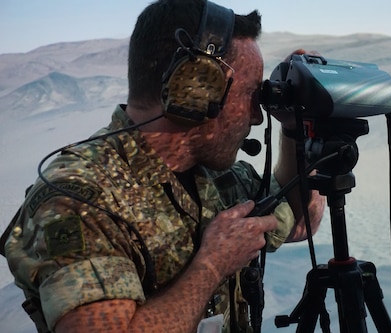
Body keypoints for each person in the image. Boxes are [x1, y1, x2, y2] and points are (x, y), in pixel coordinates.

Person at [1, 0, 325, 332]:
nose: (257, 116)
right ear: (196, 89)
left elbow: (300, 220)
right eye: (250, 96)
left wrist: (299, 129)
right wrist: (212, 266)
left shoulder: (215, 178)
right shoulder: (78, 199)